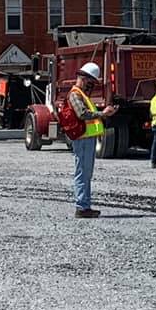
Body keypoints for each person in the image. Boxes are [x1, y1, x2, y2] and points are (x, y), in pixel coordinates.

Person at [65, 63, 108, 217]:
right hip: (82, 139)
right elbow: (82, 114)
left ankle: (85, 206)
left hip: (87, 138)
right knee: (82, 172)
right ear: (84, 79)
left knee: (86, 173)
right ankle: (82, 207)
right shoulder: (75, 94)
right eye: (91, 82)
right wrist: (103, 114)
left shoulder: (82, 95)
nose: (91, 86)